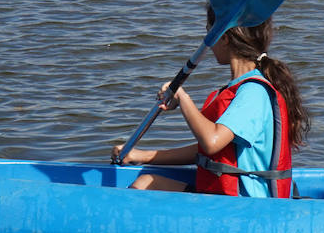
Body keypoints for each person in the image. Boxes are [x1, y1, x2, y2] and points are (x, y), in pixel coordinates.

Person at [112, 12, 310, 197]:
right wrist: (141, 156)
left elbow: (211, 142)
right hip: (225, 199)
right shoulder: (239, 88)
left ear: (224, 38)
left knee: (145, 184)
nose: (207, 42)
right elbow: (206, 150)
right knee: (146, 181)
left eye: (209, 32)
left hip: (245, 206)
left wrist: (182, 98)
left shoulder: (253, 93)